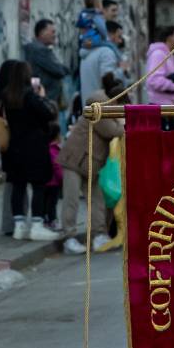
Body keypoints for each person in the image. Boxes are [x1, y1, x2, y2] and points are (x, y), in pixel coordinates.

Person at [0, 60, 56, 243]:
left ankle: (18, 225)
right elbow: (47, 114)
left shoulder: (7, 96)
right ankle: (36, 224)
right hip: (35, 147)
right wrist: (42, 96)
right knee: (38, 186)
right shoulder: (30, 96)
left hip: (15, 147)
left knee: (18, 186)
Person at [58, 77, 119, 254]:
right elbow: (112, 131)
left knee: (97, 198)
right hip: (75, 159)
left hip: (90, 161)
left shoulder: (105, 106)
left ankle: (99, 235)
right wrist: (123, 121)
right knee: (71, 200)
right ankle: (68, 238)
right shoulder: (99, 107)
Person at [78, 21, 125, 106]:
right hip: (103, 109)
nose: (120, 41)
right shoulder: (106, 53)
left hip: (89, 107)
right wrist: (122, 70)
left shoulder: (87, 52)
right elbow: (109, 82)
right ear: (109, 35)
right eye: (119, 36)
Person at [143, 25, 174, 106]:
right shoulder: (158, 54)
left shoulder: (168, 55)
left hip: (167, 104)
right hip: (159, 105)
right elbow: (154, 80)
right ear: (169, 38)